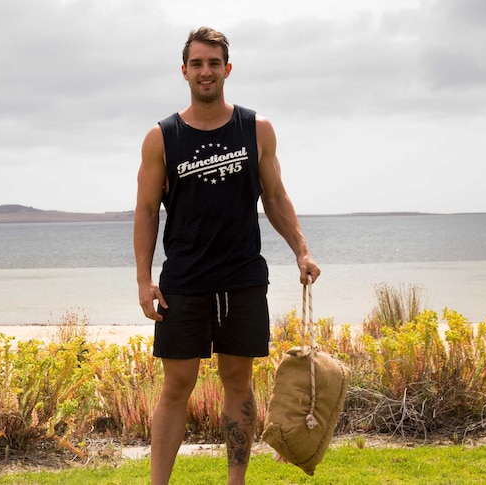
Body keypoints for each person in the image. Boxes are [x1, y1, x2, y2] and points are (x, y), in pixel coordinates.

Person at [133, 27, 321, 485]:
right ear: (184, 71)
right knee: (176, 386)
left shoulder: (256, 129)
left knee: (238, 383)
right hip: (184, 280)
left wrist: (302, 250)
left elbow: (274, 197)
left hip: (242, 278)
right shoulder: (162, 137)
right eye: (197, 63)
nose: (205, 71)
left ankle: (235, 482)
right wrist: (144, 279)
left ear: (227, 69)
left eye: (214, 63)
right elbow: (145, 210)